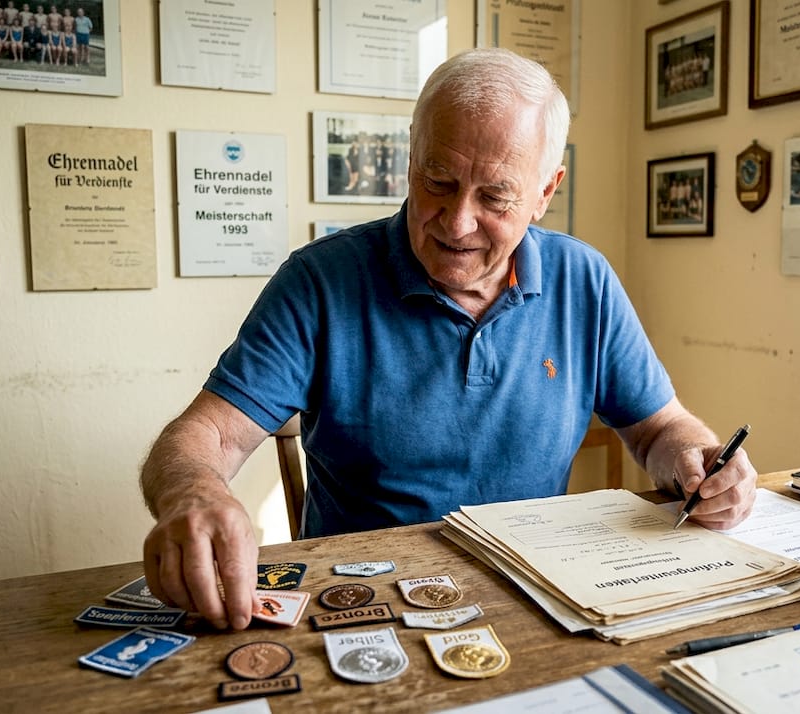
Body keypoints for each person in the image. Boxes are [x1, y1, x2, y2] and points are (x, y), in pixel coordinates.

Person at [139, 48, 757, 631]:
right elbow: (206, 436)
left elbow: (657, 428)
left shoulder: (584, 279)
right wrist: (194, 492)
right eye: (437, 181)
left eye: (495, 196)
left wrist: (698, 458)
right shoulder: (320, 280)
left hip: (535, 592)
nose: (458, 222)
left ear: (546, 191)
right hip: (361, 600)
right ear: (411, 159)